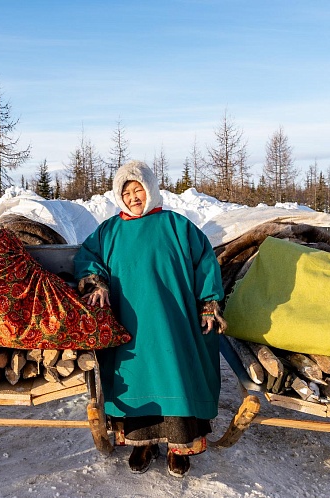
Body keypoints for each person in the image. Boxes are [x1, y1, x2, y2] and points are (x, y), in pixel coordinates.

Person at [74, 160, 227, 478]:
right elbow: (88, 259)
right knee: (136, 381)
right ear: (119, 197)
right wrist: (95, 281)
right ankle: (142, 443)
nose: (133, 197)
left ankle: (179, 446)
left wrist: (209, 302)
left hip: (174, 323)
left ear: (151, 189)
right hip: (130, 324)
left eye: (138, 189)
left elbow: (205, 262)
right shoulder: (110, 230)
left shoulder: (177, 226)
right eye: (126, 192)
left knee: (176, 375)